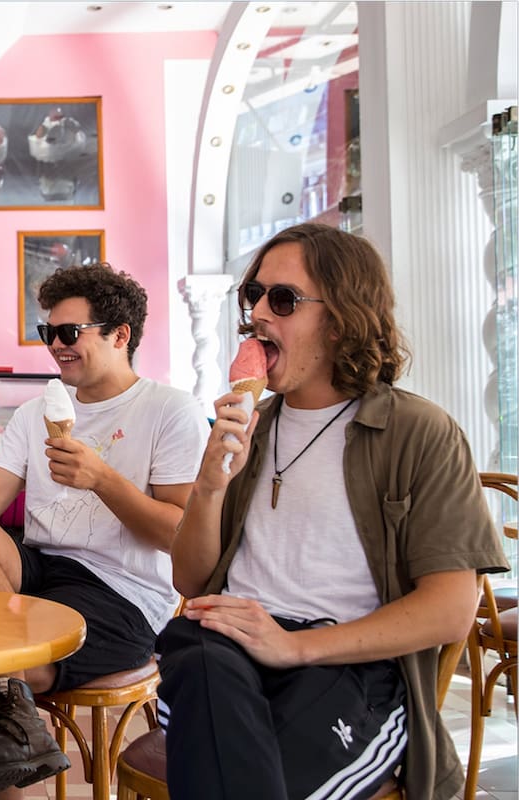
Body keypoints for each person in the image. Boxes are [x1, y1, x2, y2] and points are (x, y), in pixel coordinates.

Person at [159, 223, 509, 800]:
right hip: (223, 653)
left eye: (284, 299)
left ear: (343, 317)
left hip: (347, 664)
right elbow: (190, 579)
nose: (258, 316)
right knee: (194, 644)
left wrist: (294, 646)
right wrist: (210, 486)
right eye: (253, 296)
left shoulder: (417, 432)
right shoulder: (251, 427)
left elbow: (450, 610)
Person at [0, 263, 210, 798]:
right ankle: (18, 726)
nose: (55, 345)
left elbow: (179, 534)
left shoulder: (170, 411)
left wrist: (102, 479)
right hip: (42, 568)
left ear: (119, 334)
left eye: (68, 333)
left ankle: (0, 779)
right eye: (47, 333)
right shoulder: (36, 412)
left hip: (122, 590)